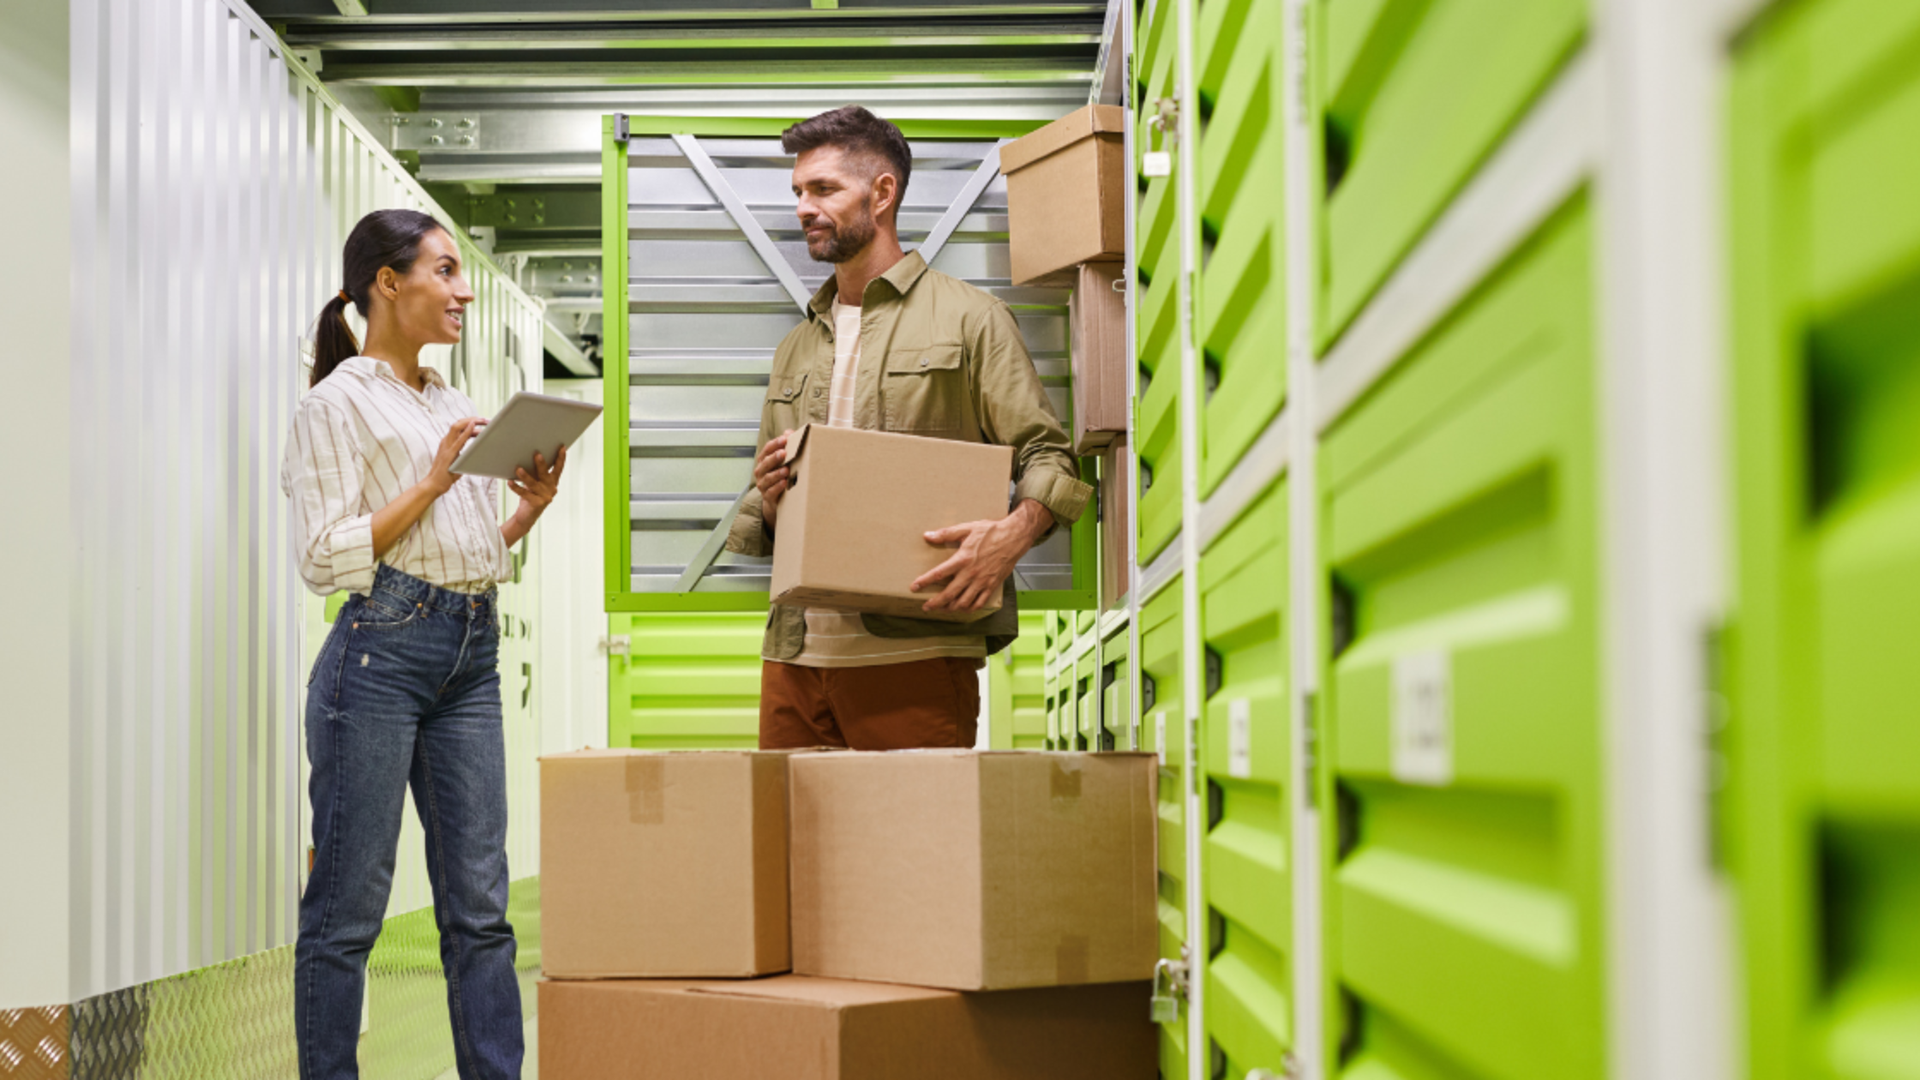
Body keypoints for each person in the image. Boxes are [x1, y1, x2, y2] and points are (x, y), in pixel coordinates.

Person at [282, 209, 564, 1080]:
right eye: (444, 271)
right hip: (378, 658)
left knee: (481, 909)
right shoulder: (334, 403)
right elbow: (325, 556)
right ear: (387, 283)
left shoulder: (454, 402)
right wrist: (435, 479)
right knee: (346, 912)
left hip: (468, 655)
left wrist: (527, 509)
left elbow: (469, 548)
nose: (464, 289)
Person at [728, 105, 1092, 751]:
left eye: (823, 189)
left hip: (915, 653)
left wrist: (1012, 535)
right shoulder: (795, 348)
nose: (803, 208)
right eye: (798, 192)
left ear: (883, 192)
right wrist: (772, 492)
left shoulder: (971, 319)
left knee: (915, 853)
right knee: (791, 853)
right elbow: (779, 503)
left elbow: (1048, 457)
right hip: (793, 657)